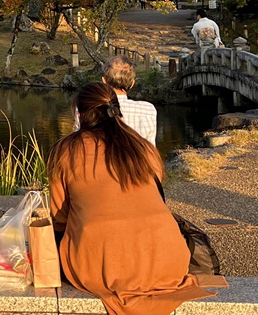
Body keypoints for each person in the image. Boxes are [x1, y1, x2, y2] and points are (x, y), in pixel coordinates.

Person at [49, 82, 221, 315]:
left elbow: (59, 216)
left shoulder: (67, 149)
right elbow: (157, 195)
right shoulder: (141, 145)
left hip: (103, 264)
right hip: (168, 260)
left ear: (79, 114)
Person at [100, 57, 158, 147]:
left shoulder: (87, 108)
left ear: (104, 81)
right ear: (132, 84)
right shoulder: (148, 109)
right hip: (139, 160)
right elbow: (150, 146)